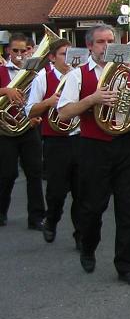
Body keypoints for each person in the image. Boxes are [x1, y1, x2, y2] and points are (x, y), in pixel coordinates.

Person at [57, 24, 130, 285]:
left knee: (127, 208)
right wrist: (92, 99)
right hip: (93, 147)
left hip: (124, 145)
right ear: (89, 46)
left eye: (110, 40)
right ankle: (88, 247)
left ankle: (127, 266)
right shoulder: (78, 75)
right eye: (100, 42)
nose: (107, 46)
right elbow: (63, 113)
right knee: (93, 207)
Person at [26, 39, 81, 247]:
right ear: (51, 57)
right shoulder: (42, 78)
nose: (68, 59)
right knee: (57, 192)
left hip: (80, 138)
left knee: (82, 192)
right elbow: (30, 111)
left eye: (71, 54)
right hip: (56, 142)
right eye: (63, 54)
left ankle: (81, 236)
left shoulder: (79, 75)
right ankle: (52, 219)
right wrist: (49, 102)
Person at [0, 32, 46, 230]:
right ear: (8, 51)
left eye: (23, 50)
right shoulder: (1, 70)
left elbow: (40, 97)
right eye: (15, 50)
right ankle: (1, 211)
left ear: (28, 51)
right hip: (5, 130)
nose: (19, 54)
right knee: (7, 173)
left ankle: (36, 217)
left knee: (35, 172)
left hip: (28, 128)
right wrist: (5, 90)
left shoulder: (35, 72)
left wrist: (37, 114)